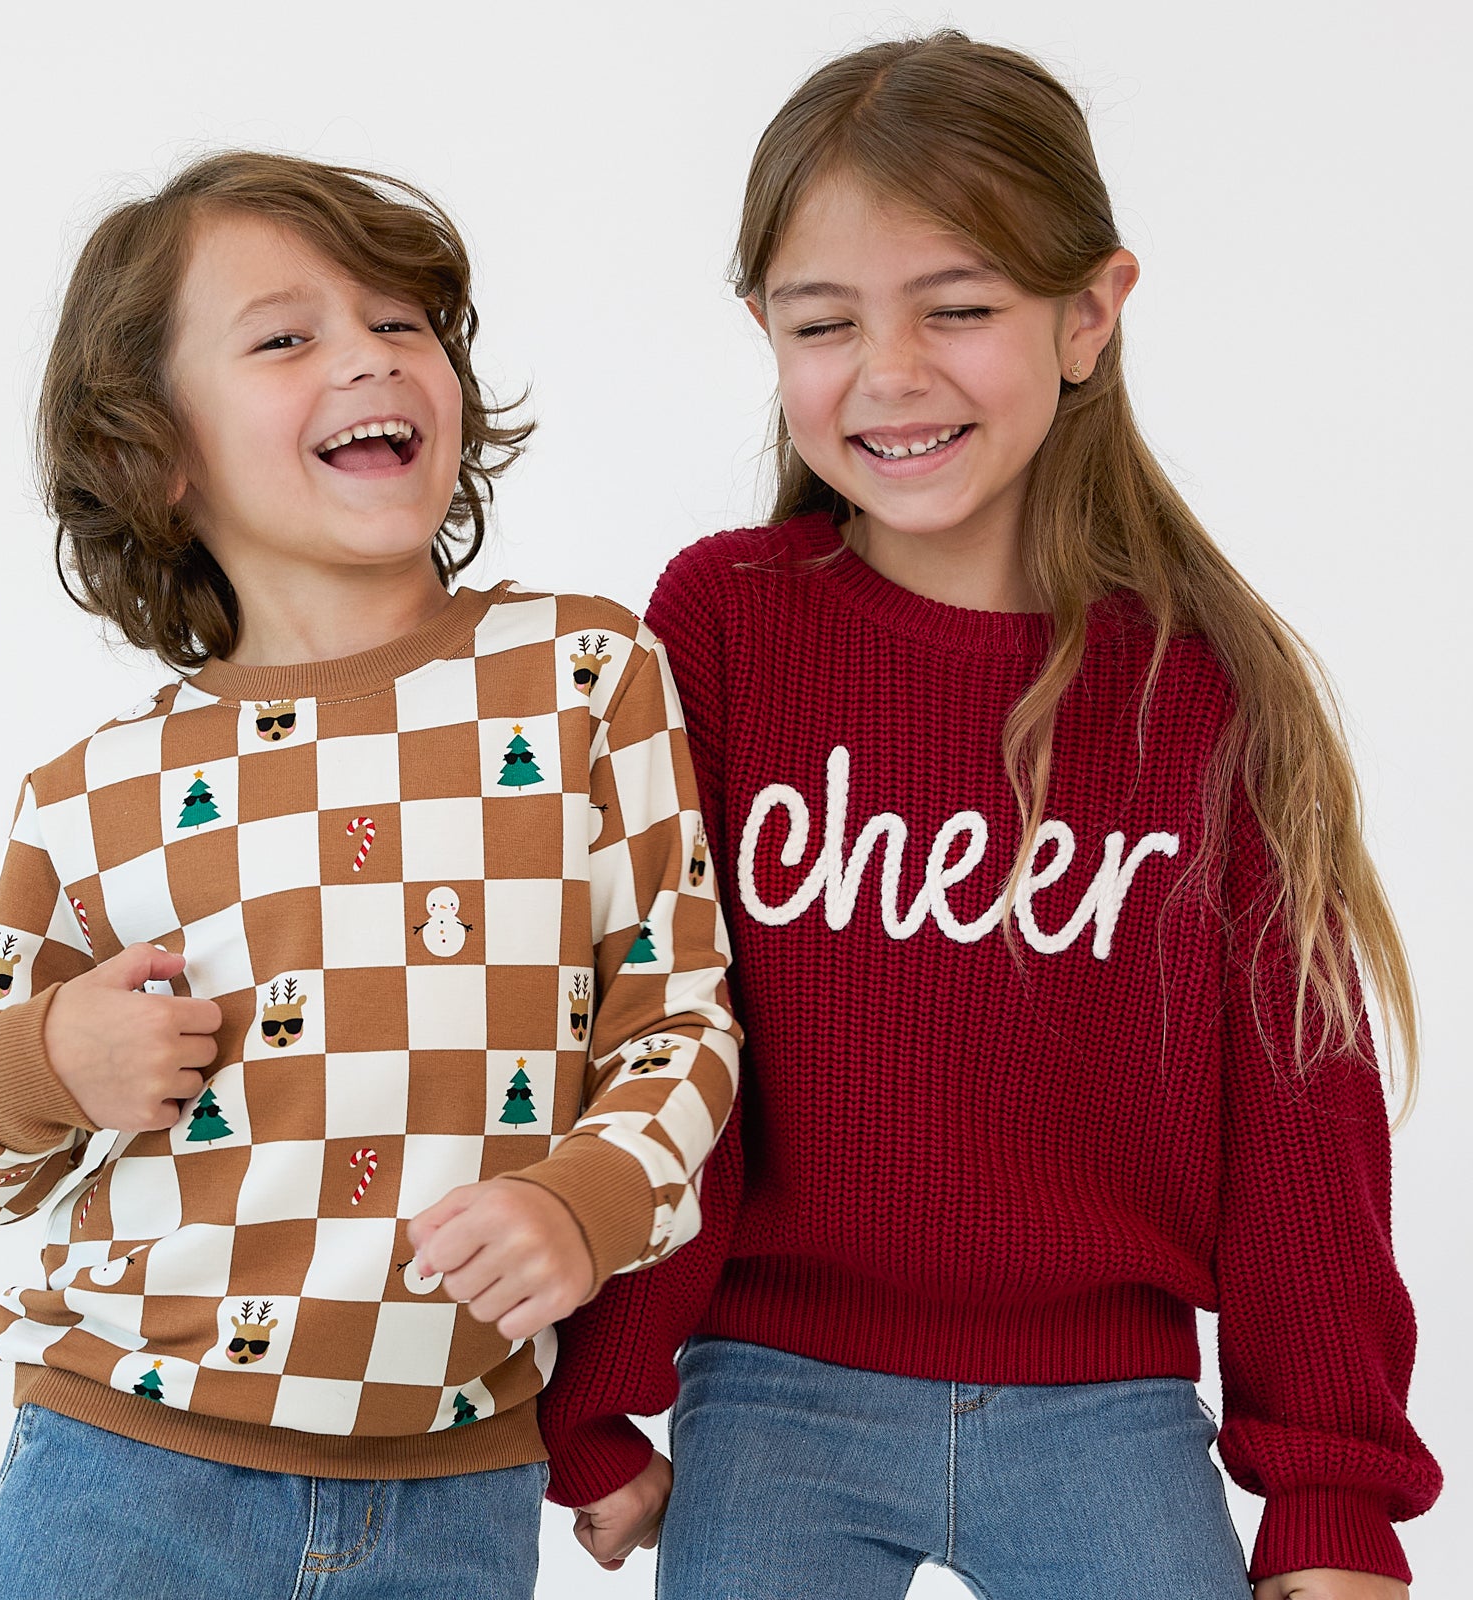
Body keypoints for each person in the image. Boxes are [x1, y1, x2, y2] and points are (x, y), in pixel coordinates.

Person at [537, 31, 1439, 1600]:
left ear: (1088, 313)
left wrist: (1332, 1502)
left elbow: (1304, 1125)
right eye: (827, 322)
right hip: (773, 1391)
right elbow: (641, 1016)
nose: (890, 373)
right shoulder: (724, 626)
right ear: (765, 331)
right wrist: (587, 1395)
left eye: (958, 309)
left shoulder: (1206, 688)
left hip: (1112, 1419)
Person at [0, 150, 739, 1600]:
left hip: (459, 1493)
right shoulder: (90, 796)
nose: (370, 357)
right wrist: (52, 1056)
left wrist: (584, 1203)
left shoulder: (583, 676)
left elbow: (682, 1024)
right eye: (288, 337)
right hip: (123, 1461)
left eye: (402, 325)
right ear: (161, 455)